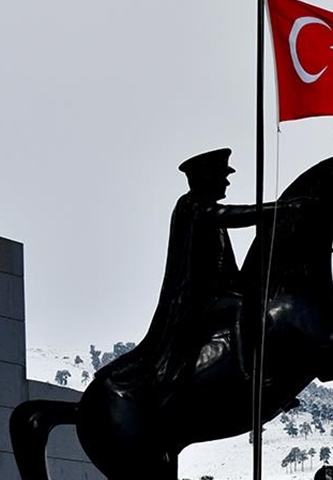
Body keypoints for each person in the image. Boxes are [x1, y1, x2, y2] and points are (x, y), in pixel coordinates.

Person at [99, 148, 296, 397]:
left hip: (217, 293)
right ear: (206, 178)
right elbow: (232, 215)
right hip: (196, 301)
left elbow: (227, 267)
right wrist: (280, 209)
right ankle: (250, 375)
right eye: (222, 176)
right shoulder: (192, 206)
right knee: (242, 307)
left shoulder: (207, 211)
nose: (226, 181)